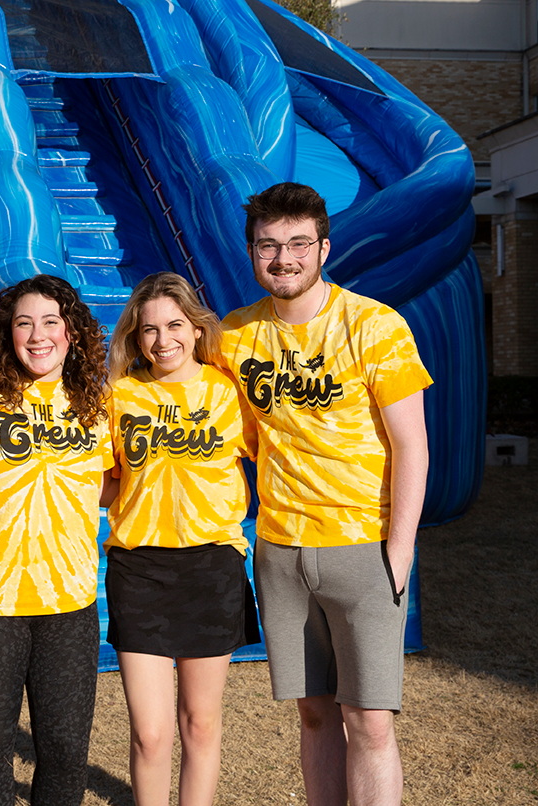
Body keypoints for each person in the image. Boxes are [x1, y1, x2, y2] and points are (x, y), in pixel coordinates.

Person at [218, 182, 432, 806]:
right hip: (281, 552)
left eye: (298, 244)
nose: (283, 259)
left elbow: (411, 446)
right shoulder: (234, 337)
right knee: (313, 716)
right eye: (267, 246)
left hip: (363, 546)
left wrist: (400, 549)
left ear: (324, 248)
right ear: (251, 252)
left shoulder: (374, 325)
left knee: (369, 721)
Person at [0, 273, 113, 806]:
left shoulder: (97, 403)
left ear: (72, 332)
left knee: (66, 752)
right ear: (7, 332)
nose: (38, 335)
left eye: (51, 321)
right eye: (24, 322)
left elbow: (122, 482)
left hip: (69, 603)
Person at [103, 272, 261, 806]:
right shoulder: (119, 396)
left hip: (210, 570)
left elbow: (284, 453)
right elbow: (99, 480)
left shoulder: (229, 393)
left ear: (196, 329)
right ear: (135, 336)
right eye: (148, 330)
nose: (162, 339)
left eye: (174, 325)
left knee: (200, 722)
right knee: (149, 733)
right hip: (139, 571)